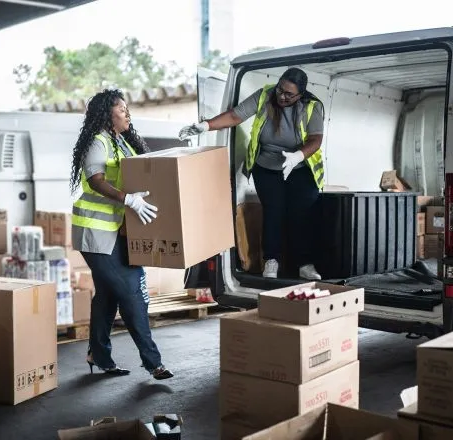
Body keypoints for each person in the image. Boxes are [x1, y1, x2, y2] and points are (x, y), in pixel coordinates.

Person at [179, 67, 325, 280]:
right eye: (280, 90)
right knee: (273, 213)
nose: (282, 96)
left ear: (300, 95)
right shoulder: (265, 95)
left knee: (300, 215)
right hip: (266, 167)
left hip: (299, 167)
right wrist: (205, 125)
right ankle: (271, 261)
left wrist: (297, 157)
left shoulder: (312, 106)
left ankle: (304, 264)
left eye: (289, 94)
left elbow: (315, 139)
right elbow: (235, 115)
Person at [70, 88, 173, 380]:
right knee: (131, 291)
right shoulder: (98, 141)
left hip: (119, 233)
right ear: (108, 114)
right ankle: (154, 363)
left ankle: (99, 355)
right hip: (96, 234)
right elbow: (96, 180)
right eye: (122, 109)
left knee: (107, 296)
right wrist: (128, 199)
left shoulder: (122, 143)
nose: (128, 114)